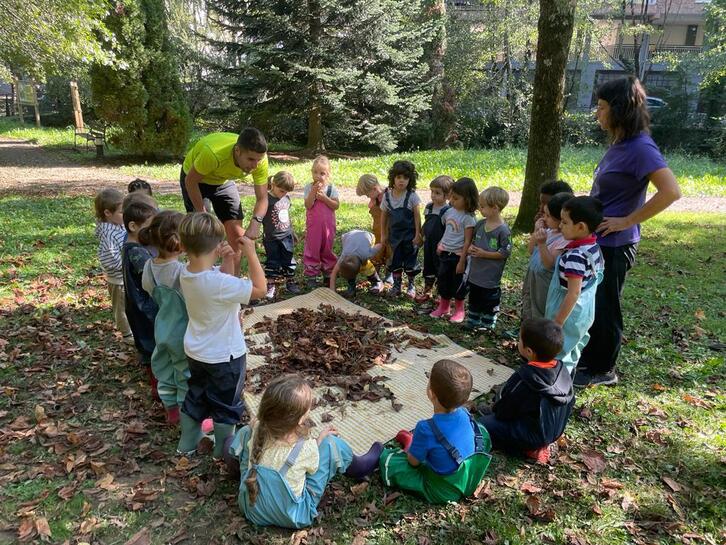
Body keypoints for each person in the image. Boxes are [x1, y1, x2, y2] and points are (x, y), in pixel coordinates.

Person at [576, 76, 681, 388]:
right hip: (600, 239)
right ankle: (590, 360)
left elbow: (670, 191)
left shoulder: (641, 148)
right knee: (593, 301)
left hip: (616, 243)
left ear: (619, 109)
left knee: (607, 305)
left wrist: (628, 220)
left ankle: (603, 369)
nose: (598, 113)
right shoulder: (620, 144)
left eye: (602, 107)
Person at [229, 374, 382, 528]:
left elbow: (258, 426)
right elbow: (312, 467)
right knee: (331, 444)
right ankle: (361, 466)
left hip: (251, 509)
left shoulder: (256, 430)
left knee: (243, 433)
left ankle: (233, 463)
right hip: (294, 515)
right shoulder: (306, 446)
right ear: (300, 419)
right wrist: (320, 441)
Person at [176, 213, 267, 458]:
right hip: (225, 356)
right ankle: (222, 451)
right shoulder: (216, 284)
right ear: (217, 246)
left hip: (197, 351)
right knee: (226, 404)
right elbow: (261, 289)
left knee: (196, 395)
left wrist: (227, 260)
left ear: (183, 246)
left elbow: (222, 284)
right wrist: (251, 252)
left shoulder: (187, 273)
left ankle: (187, 443)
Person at [139, 211, 213, 434]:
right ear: (182, 243)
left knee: (165, 369)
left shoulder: (149, 267)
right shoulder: (182, 272)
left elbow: (148, 289)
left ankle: (170, 408)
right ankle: (187, 415)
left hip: (162, 328)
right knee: (185, 375)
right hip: (184, 333)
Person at [379, 359, 492, 504]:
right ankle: (417, 446)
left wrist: (412, 453)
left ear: (431, 393)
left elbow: (413, 463)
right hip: (469, 477)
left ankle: (401, 449)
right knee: (478, 430)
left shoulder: (425, 428)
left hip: (442, 490)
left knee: (391, 460)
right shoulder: (465, 413)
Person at [477, 318, 575, 464]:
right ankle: (538, 444)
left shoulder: (525, 378)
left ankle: (530, 449)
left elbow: (505, 410)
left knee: (481, 425)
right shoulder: (563, 369)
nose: (518, 342)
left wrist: (496, 410)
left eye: (520, 340)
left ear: (529, 351)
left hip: (531, 435)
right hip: (553, 430)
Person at [179, 128, 270, 275]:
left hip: (223, 182)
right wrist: (202, 213)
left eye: (258, 160)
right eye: (251, 159)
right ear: (237, 151)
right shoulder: (213, 153)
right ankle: (199, 278)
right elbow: (190, 181)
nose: (255, 166)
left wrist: (255, 223)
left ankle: (233, 285)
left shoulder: (260, 161)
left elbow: (262, 198)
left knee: (236, 234)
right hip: (195, 179)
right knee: (200, 232)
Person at [544, 196, 604, 375]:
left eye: (564, 222)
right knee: (572, 349)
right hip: (584, 313)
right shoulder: (594, 248)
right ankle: (565, 380)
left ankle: (554, 385)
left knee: (558, 352)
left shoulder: (575, 257)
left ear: (581, 227)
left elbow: (573, 293)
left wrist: (557, 323)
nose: (560, 226)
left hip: (567, 312)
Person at [121, 193, 159, 401]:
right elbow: (153, 277)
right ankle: (158, 387)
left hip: (139, 305)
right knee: (151, 345)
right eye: (150, 227)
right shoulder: (136, 253)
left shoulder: (134, 248)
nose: (153, 232)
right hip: (144, 308)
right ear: (134, 226)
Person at [429, 178, 478, 323]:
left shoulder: (468, 218)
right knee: (443, 279)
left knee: (459, 284)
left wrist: (462, 260)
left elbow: (468, 240)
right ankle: (444, 307)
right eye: (451, 197)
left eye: (456, 198)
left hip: (458, 256)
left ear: (468, 199)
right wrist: (440, 243)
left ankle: (459, 310)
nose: (452, 201)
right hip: (445, 253)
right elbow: (447, 231)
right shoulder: (448, 212)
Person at [465, 187, 512, 330]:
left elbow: (505, 252)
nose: (479, 208)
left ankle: (487, 323)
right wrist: (470, 249)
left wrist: (484, 254)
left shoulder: (503, 231)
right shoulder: (480, 224)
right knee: (474, 298)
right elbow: (472, 242)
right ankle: (473, 320)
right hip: (475, 274)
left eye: (483, 206)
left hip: (491, 278)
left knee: (489, 301)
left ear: (495, 208)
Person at [522, 191, 573, 321]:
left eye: (548, 216)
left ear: (561, 219)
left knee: (539, 314)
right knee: (528, 308)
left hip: (544, 284)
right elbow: (531, 250)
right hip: (533, 278)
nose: (544, 218)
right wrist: (536, 231)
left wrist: (542, 243)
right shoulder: (549, 231)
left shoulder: (564, 240)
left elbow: (549, 264)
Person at [94, 188, 133, 344]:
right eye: (121, 212)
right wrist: (127, 263)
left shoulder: (118, 226)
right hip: (118, 279)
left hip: (125, 276)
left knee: (129, 305)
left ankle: (132, 328)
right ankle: (127, 333)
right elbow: (111, 259)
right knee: (121, 308)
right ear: (108, 213)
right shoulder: (108, 234)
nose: (125, 216)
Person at [380, 160, 423, 298]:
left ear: (410, 180)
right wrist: (383, 234)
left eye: (405, 178)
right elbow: (384, 217)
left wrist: (418, 234)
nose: (401, 181)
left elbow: (417, 217)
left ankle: (411, 285)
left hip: (410, 236)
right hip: (395, 236)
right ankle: (397, 285)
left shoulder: (412, 196)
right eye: (398, 177)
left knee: (410, 262)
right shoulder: (387, 197)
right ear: (393, 178)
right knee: (396, 260)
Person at [302, 156, 339, 289]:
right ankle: (312, 274)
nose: (318, 176)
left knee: (327, 247)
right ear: (312, 172)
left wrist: (324, 198)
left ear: (328, 174)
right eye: (315, 172)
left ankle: (328, 273)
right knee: (313, 247)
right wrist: (313, 192)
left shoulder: (331, 189)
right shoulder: (308, 187)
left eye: (322, 173)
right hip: (314, 226)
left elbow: (335, 205)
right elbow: (308, 205)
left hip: (328, 226)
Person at [416, 175, 454, 304]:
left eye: (437, 193)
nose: (433, 195)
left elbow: (449, 230)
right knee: (428, 265)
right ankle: (427, 290)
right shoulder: (429, 207)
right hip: (428, 243)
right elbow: (426, 223)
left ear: (448, 195)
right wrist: (420, 235)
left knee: (441, 268)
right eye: (432, 192)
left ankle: (440, 293)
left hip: (441, 246)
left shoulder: (448, 211)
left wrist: (443, 243)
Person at [262, 171, 299, 300]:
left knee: (288, 259)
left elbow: (287, 217)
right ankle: (271, 284)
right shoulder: (266, 199)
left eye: (286, 192)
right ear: (273, 184)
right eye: (281, 190)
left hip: (286, 236)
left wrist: (292, 231)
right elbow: (259, 216)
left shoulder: (286, 199)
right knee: (272, 261)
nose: (283, 194)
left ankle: (290, 281)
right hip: (271, 238)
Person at [355, 174, 391, 280]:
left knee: (390, 248)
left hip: (389, 228)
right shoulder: (375, 197)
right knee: (378, 248)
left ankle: (390, 272)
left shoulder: (389, 194)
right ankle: (376, 271)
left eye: (367, 194)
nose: (367, 197)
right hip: (378, 229)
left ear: (374, 188)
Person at [328, 230, 384, 297]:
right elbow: (333, 273)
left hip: (368, 236)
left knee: (367, 266)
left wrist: (381, 245)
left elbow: (379, 245)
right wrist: (332, 292)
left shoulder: (367, 254)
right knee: (349, 270)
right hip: (347, 237)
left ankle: (377, 282)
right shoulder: (343, 257)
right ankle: (351, 286)